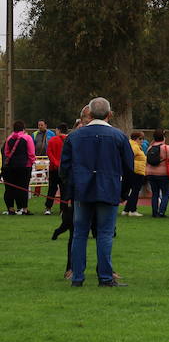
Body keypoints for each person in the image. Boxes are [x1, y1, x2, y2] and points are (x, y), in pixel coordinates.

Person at [62, 98, 134, 285]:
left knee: (79, 233)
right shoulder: (119, 137)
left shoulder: (74, 137)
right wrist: (123, 193)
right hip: (108, 190)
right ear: (109, 115)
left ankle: (77, 277)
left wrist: (70, 193)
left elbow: (65, 169)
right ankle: (105, 277)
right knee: (105, 234)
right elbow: (129, 168)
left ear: (90, 114)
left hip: (82, 191)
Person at [3, 120, 37, 214]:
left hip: (11, 167)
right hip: (24, 166)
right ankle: (24, 208)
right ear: (23, 128)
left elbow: (6, 152)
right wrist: (33, 162)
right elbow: (31, 153)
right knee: (23, 188)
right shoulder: (27, 138)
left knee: (10, 188)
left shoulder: (9, 138)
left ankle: (10, 208)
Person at [143, 129, 169, 218]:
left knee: (155, 193)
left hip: (150, 173)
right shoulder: (166, 148)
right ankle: (161, 212)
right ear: (164, 137)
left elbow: (146, 159)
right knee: (165, 193)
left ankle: (154, 212)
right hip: (162, 174)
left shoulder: (150, 147)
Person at [43, 123, 68, 215]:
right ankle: (63, 209)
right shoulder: (69, 140)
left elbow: (49, 153)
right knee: (64, 190)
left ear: (58, 130)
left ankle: (48, 208)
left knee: (52, 189)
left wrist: (56, 163)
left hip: (54, 168)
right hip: (64, 169)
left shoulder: (52, 140)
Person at [122, 130, 147, 216]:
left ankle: (126, 210)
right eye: (141, 138)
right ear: (136, 138)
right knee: (135, 191)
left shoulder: (133, 145)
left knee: (133, 191)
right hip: (136, 171)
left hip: (134, 171)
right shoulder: (134, 146)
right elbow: (129, 157)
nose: (142, 140)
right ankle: (132, 210)